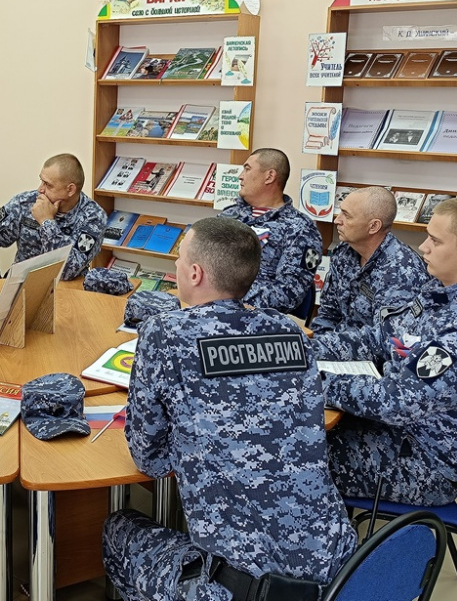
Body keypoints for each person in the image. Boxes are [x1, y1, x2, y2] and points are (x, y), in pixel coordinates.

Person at [103, 218, 356, 601]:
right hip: (341, 573)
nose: (175, 264)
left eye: (180, 257)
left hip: (244, 590)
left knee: (119, 529)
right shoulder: (289, 331)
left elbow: (150, 460)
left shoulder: (164, 334)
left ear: (195, 273)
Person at [315, 196, 457, 505]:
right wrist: (307, 350)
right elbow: (385, 337)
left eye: (435, 240)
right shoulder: (443, 291)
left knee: (286, 452)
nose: (423, 247)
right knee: (290, 426)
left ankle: (320, 532)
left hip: (425, 463)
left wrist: (314, 380)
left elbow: (396, 402)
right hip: (402, 429)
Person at [0, 153, 107, 281]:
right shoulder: (26, 203)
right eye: (42, 181)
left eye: (48, 185)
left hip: (66, 290)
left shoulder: (93, 217)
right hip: (22, 284)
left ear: (70, 189)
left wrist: (46, 222)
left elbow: (67, 270)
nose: (40, 189)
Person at [312, 186, 428, 335]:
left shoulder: (402, 273)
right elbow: (328, 313)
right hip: (337, 343)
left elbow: (386, 341)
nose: (337, 220)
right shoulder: (345, 251)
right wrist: (317, 344)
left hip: (368, 349)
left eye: (347, 215)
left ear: (373, 226)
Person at [218, 148, 322, 314]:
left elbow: (288, 294)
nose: (240, 176)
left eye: (247, 169)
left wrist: (227, 295)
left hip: (257, 319)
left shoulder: (301, 229)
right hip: (212, 308)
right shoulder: (229, 215)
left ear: (269, 176)